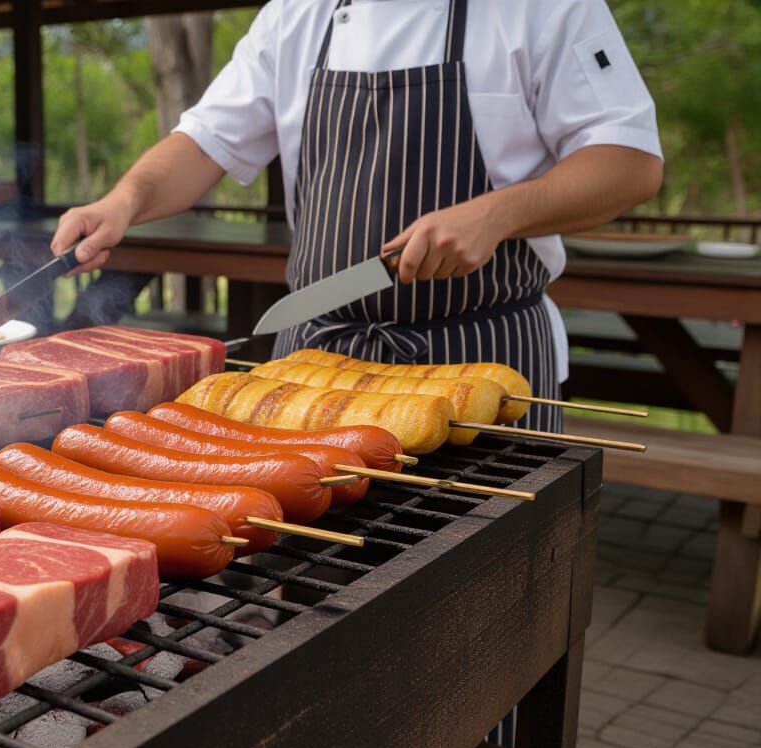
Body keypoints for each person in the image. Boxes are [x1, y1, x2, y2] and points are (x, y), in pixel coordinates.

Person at [52, 0, 663, 433]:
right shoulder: (297, 13)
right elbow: (207, 139)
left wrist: (497, 213)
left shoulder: (542, 7)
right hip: (314, 368)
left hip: (482, 362)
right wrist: (124, 201)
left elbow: (630, 162)